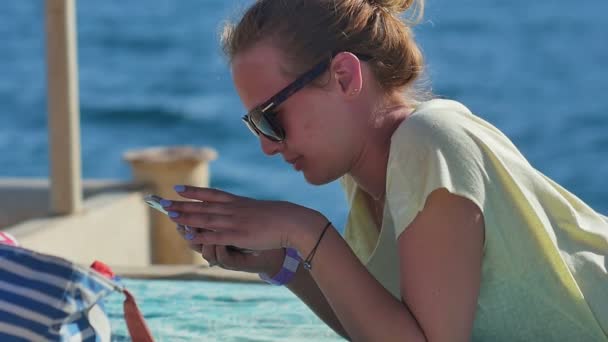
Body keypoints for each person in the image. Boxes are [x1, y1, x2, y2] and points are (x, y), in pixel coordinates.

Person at [160, 0, 608, 340]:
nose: (266, 146)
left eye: (270, 118)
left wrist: (304, 229)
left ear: (344, 77)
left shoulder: (430, 140)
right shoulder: (368, 179)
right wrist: (283, 263)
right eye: (254, 125)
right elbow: (381, 327)